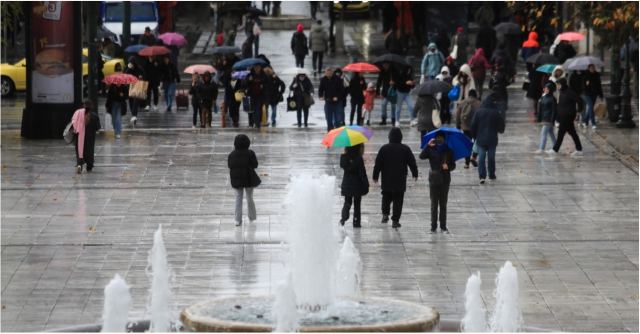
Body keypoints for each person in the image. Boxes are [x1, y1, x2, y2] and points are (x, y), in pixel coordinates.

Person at [373, 127, 418, 228]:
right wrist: (415, 173)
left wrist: (375, 176)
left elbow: (378, 164)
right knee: (398, 199)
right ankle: (395, 220)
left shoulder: (384, 149)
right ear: (401, 138)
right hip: (400, 179)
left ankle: (385, 214)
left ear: (389, 137)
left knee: (386, 195)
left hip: (386, 178)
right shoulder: (405, 149)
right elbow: (412, 163)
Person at [419, 131, 455, 234]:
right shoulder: (431, 148)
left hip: (445, 179)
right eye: (438, 138)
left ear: (444, 139)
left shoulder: (448, 150)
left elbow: (453, 165)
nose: (439, 141)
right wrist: (427, 145)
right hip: (434, 179)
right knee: (434, 204)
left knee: (443, 204)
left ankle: (443, 226)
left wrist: (448, 167)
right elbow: (421, 156)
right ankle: (433, 227)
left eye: (441, 139)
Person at [470, 93, 505, 184]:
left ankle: (482, 176)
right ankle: (491, 174)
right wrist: (500, 130)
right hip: (492, 139)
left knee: (481, 157)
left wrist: (474, 136)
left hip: (481, 139)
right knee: (491, 157)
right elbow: (501, 125)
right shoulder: (496, 112)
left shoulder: (479, 112)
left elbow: (473, 125)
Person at [228, 134, 261, 226]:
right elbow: (255, 165)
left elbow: (230, 166)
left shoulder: (232, 154)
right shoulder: (250, 153)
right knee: (249, 197)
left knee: (238, 198)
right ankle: (252, 217)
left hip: (237, 179)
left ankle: (238, 220)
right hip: (249, 178)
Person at [552, 78, 584, 156]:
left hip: (568, 116)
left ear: (563, 84)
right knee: (572, 133)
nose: (557, 86)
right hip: (563, 116)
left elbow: (580, 100)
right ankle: (579, 149)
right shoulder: (561, 92)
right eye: (557, 85)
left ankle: (555, 149)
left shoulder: (569, 92)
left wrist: (579, 111)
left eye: (559, 84)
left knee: (561, 133)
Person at [340, 144, 369, 228]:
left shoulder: (344, 157)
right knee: (357, 204)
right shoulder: (359, 158)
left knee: (347, 202)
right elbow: (362, 173)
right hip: (357, 185)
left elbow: (343, 166)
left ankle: (343, 218)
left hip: (347, 184)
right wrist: (366, 184)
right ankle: (356, 222)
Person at [71, 101, 100, 174]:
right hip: (90, 138)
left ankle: (79, 164)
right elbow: (97, 127)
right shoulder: (94, 116)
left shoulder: (78, 113)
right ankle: (89, 166)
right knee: (89, 151)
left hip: (79, 137)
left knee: (79, 151)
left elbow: (73, 123)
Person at [455, 89, 481, 167]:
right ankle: (473, 157)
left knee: (467, 144)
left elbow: (457, 115)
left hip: (465, 127)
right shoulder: (479, 103)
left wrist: (458, 125)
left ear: (468, 94)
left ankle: (467, 163)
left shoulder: (462, 103)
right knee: (477, 143)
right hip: (476, 127)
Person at [535, 82, 557, 153]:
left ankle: (541, 148)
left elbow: (554, 110)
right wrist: (539, 118)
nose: (545, 90)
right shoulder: (543, 97)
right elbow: (540, 108)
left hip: (549, 119)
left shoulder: (553, 99)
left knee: (543, 133)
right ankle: (556, 146)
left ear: (550, 90)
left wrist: (552, 120)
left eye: (547, 89)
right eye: (545, 88)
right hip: (544, 118)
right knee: (551, 133)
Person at [581, 64, 603, 129]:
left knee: (590, 108)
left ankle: (585, 121)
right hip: (586, 94)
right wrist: (587, 86)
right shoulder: (585, 75)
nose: (592, 69)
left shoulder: (597, 75)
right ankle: (593, 123)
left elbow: (599, 85)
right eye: (591, 68)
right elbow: (583, 86)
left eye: (593, 68)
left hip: (594, 94)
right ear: (588, 68)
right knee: (590, 107)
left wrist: (600, 94)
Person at [125, 57, 145, 127]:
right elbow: (125, 76)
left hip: (137, 86)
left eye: (131, 63)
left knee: (136, 101)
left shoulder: (139, 69)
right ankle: (133, 114)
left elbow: (143, 76)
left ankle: (134, 115)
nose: (130, 64)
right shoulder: (129, 69)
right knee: (131, 101)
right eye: (129, 63)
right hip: (130, 86)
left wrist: (140, 77)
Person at [246, 64, 267, 128]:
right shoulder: (250, 75)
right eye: (256, 67)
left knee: (258, 109)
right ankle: (251, 123)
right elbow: (245, 84)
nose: (257, 69)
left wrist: (263, 85)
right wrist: (249, 80)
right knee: (250, 110)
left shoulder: (263, 75)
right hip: (251, 95)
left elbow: (267, 84)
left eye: (259, 67)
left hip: (260, 95)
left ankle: (257, 123)